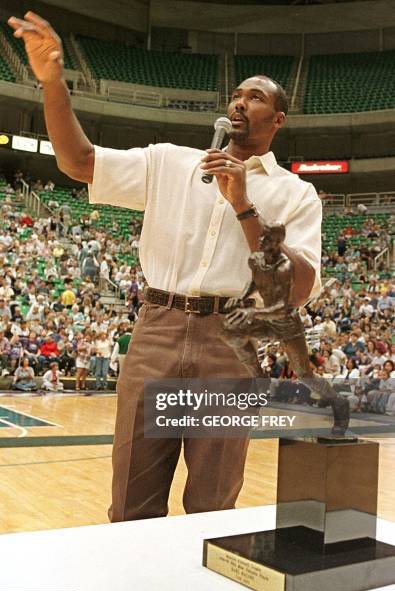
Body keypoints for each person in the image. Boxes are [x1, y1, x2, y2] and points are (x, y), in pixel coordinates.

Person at [8, 12, 322, 521]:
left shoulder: (294, 193)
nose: (240, 102)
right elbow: (77, 161)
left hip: (230, 341)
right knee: (132, 498)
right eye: (237, 95)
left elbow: (296, 288)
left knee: (212, 503)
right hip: (156, 332)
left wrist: (244, 205)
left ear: (277, 120)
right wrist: (53, 85)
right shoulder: (170, 161)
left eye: (256, 97)